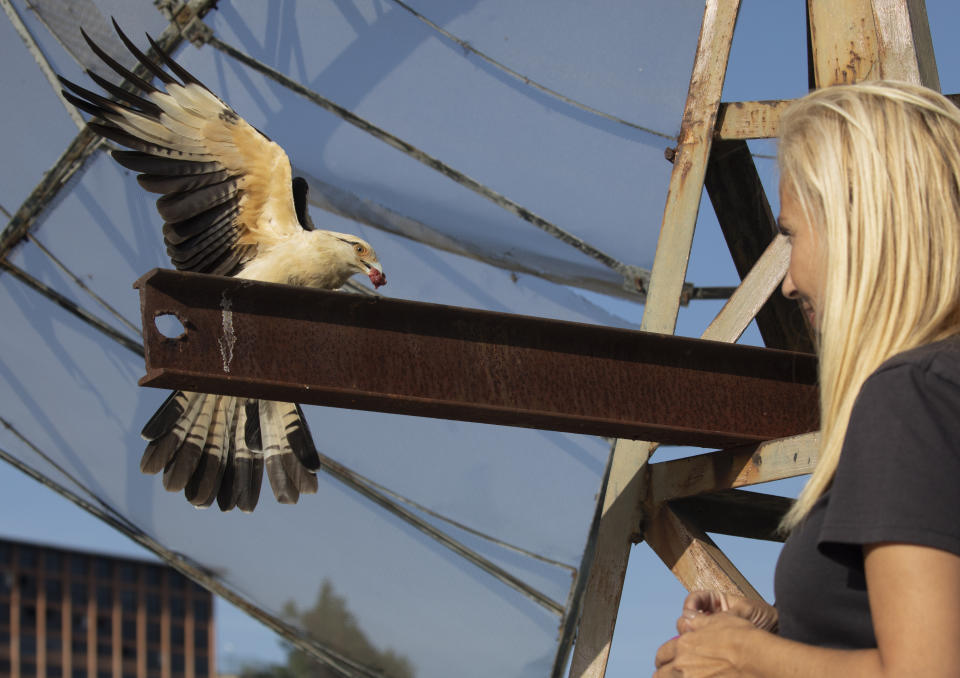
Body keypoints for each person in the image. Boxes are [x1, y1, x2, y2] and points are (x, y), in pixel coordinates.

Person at [653, 80, 960, 676]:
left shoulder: (912, 394)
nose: (789, 282)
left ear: (857, 228)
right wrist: (784, 633)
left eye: (791, 234)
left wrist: (745, 654)